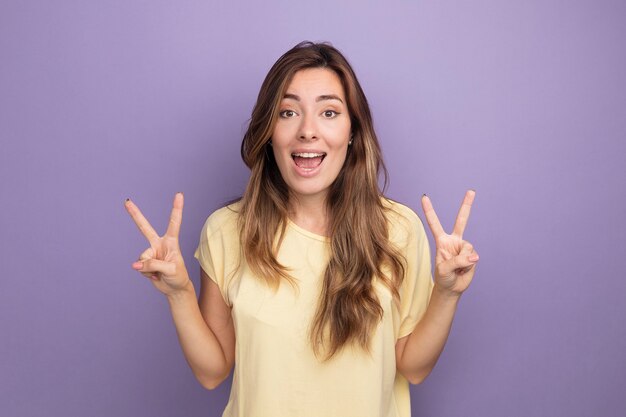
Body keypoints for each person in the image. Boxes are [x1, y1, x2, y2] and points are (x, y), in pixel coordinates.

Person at [125, 41, 479, 417]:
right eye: (288, 112)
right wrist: (179, 293)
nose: (308, 131)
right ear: (269, 132)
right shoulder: (227, 230)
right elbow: (213, 372)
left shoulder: (398, 230)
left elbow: (412, 366)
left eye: (329, 112)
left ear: (353, 131)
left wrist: (447, 293)